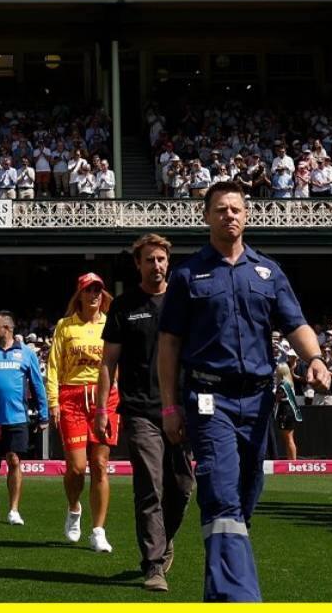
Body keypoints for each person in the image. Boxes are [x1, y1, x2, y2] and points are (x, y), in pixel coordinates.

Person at [157, 181, 330, 602]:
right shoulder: (186, 275)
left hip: (257, 400)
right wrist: (169, 407)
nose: (229, 215)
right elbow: (169, 345)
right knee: (220, 491)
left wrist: (316, 359)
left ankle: (219, 587)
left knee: (246, 493)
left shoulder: (268, 272)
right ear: (206, 217)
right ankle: (239, 598)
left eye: (236, 208)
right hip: (207, 399)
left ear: (246, 215)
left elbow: (296, 324)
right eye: (220, 209)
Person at [96, 233, 193, 592]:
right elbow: (108, 363)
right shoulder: (123, 306)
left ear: (169, 262)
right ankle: (153, 564)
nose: (157, 265)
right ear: (138, 264)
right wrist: (102, 410)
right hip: (138, 409)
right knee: (150, 486)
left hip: (180, 409)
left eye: (162, 260)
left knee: (182, 487)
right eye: (149, 260)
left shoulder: (183, 302)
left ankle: (164, 541)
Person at [47, 271, 116, 553]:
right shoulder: (65, 326)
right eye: (89, 290)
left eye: (98, 290)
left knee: (99, 464)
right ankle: (74, 507)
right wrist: (53, 402)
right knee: (76, 467)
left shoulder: (111, 325)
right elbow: (53, 365)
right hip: (72, 397)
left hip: (103, 397)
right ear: (80, 294)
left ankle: (98, 530)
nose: (95, 295)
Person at [0, 310, 48, 526]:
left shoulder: (27, 354)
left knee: (14, 461)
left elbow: (37, 385)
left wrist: (44, 414)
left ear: (6, 328)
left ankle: (14, 509)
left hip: (17, 418)